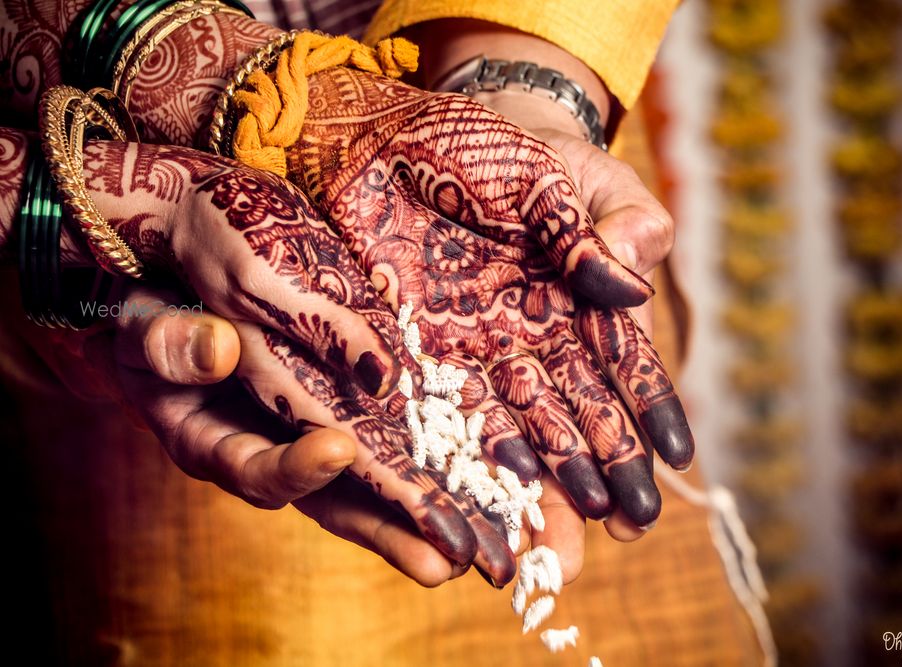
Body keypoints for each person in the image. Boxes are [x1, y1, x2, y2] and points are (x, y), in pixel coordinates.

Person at [0, 0, 765, 664]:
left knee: (644, 600)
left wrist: (518, 85)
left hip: (481, 228)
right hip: (143, 362)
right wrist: (98, 216)